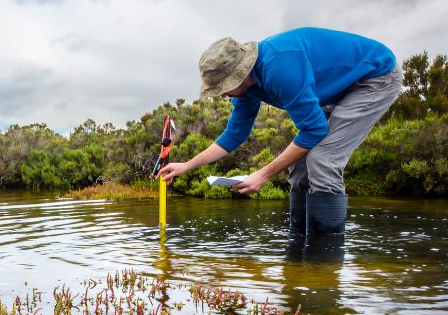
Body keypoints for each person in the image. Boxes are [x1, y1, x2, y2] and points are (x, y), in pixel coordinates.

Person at [158, 27, 402, 235]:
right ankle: (298, 249)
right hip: (337, 89)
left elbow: (314, 130)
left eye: (225, 87)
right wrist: (187, 165)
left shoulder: (281, 68)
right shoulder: (248, 87)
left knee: (322, 159)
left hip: (374, 78)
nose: (223, 93)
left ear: (241, 74)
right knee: (299, 166)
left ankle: (324, 259)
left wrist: (264, 175)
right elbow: (235, 133)